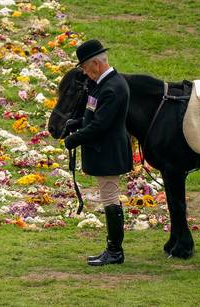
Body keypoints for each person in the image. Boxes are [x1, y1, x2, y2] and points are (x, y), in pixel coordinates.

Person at [63, 39, 133, 266]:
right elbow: (93, 114)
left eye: (84, 68)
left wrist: (73, 140)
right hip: (105, 149)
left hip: (109, 151)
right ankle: (113, 249)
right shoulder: (103, 85)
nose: (85, 73)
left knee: (111, 198)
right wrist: (76, 122)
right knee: (108, 197)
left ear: (95, 63)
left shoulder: (113, 87)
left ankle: (114, 251)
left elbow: (100, 126)